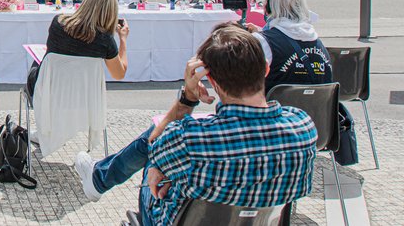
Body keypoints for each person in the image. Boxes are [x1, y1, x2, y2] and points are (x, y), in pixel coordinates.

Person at [74, 23, 317, 226]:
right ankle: (99, 177)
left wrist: (187, 99)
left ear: (210, 79)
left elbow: (153, 145)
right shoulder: (303, 127)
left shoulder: (189, 138)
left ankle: (100, 178)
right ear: (265, 69)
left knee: (155, 152)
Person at [27, 0, 129, 96]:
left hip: (49, 93)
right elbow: (119, 74)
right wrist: (123, 39)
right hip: (84, 97)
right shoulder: (105, 40)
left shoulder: (58, 22)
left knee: (38, 60)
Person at [247, 0, 332, 93]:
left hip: (277, 109)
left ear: (268, 8)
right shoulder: (316, 41)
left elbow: (244, 85)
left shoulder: (262, 42)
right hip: (318, 109)